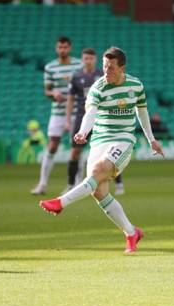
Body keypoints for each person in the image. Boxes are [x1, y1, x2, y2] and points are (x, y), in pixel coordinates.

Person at [39, 47, 164, 254]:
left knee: (98, 171)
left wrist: (151, 139)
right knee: (99, 191)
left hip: (123, 139)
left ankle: (60, 202)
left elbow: (142, 112)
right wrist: (83, 131)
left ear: (122, 67)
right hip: (99, 140)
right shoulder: (98, 87)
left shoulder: (135, 85)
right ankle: (132, 233)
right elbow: (90, 113)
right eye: (105, 66)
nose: (106, 71)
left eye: (111, 67)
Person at [63, 48, 125, 196]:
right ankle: (70, 184)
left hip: (102, 118)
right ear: (82, 60)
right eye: (85, 58)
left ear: (95, 60)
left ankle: (119, 184)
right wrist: (67, 119)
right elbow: (70, 99)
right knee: (74, 152)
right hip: (81, 117)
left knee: (109, 153)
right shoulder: (76, 76)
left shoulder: (103, 75)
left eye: (91, 58)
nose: (88, 61)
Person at [31, 36, 82, 195]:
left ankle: (79, 184)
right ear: (56, 48)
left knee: (77, 147)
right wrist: (53, 93)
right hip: (58, 112)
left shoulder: (78, 65)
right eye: (60, 47)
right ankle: (42, 184)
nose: (62, 50)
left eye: (65, 47)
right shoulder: (50, 67)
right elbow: (46, 90)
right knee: (52, 145)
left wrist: (73, 96)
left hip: (75, 112)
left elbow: (85, 87)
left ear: (70, 48)